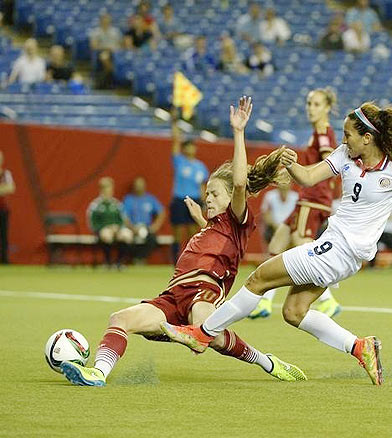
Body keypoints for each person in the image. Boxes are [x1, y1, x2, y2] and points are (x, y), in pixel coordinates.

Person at [160, 101, 392, 386]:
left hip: (337, 252)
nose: (342, 140)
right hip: (337, 251)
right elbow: (309, 177)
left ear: (367, 138)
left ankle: (202, 333)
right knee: (294, 311)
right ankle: (360, 347)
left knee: (258, 279)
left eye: (348, 134)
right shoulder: (345, 156)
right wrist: (288, 162)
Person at [60, 97, 307, 387]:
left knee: (206, 331)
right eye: (207, 196)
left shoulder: (237, 219)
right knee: (120, 318)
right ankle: (97, 374)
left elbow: (239, 183)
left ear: (231, 198)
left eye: (214, 194)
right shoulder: (212, 229)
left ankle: (266, 361)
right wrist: (201, 220)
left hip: (203, 293)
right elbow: (217, 242)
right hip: (172, 298)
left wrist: (238, 132)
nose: (208, 199)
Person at [250, 88, 342, 320]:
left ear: (328, 108)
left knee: (305, 250)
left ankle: (328, 299)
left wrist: (298, 172)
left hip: (313, 199)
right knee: (277, 243)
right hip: (307, 198)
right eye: (309, 103)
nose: (311, 108)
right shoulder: (318, 131)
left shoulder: (322, 132)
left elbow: (329, 163)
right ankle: (264, 302)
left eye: (317, 104)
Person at [169, 110, 209, 263]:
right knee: (177, 232)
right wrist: (174, 123)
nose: (191, 149)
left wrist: (204, 202)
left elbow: (202, 187)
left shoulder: (200, 167)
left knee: (194, 232)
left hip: (195, 200)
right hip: (180, 200)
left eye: (193, 146)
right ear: (184, 149)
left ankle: (193, 259)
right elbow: (175, 141)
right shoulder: (179, 161)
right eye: (188, 146)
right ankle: (175, 261)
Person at [86, 177, 133, 267]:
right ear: (101, 190)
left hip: (117, 229)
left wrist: (118, 227)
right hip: (103, 230)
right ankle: (107, 261)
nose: (109, 191)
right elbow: (92, 222)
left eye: (110, 188)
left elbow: (122, 219)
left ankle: (119, 262)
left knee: (127, 234)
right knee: (107, 235)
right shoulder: (95, 205)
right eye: (106, 189)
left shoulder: (116, 204)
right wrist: (103, 228)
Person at [122, 176, 166, 263]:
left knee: (152, 239)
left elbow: (161, 212)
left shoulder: (150, 199)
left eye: (141, 185)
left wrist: (155, 226)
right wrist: (131, 228)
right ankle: (133, 258)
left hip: (146, 227)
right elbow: (124, 216)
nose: (139, 187)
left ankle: (141, 258)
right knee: (125, 239)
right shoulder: (128, 199)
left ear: (144, 186)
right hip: (132, 228)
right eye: (137, 185)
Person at [260, 183, 298, 250]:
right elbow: (266, 215)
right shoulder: (270, 196)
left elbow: (297, 216)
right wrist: (277, 227)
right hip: (273, 229)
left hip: (290, 229)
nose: (284, 186)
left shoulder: (296, 197)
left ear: (290, 185)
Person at [0, 151, 15, 264]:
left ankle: (4, 259)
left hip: (2, 208)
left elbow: (10, 188)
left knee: (3, 235)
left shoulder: (5, 173)